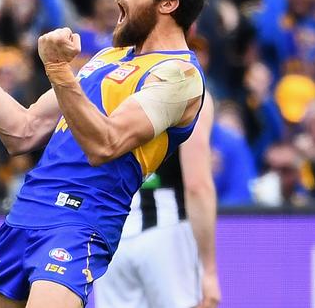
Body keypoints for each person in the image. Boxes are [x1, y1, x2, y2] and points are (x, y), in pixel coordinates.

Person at [0, 0, 210, 307]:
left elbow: (105, 144)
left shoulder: (178, 74)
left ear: (168, 4)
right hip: (26, 210)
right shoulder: (108, 57)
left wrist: (59, 70)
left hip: (80, 219)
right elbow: (21, 131)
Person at [94, 96, 221, 308]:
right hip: (165, 230)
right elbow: (197, 186)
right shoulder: (191, 90)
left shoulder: (108, 79)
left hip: (111, 232)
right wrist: (209, 270)